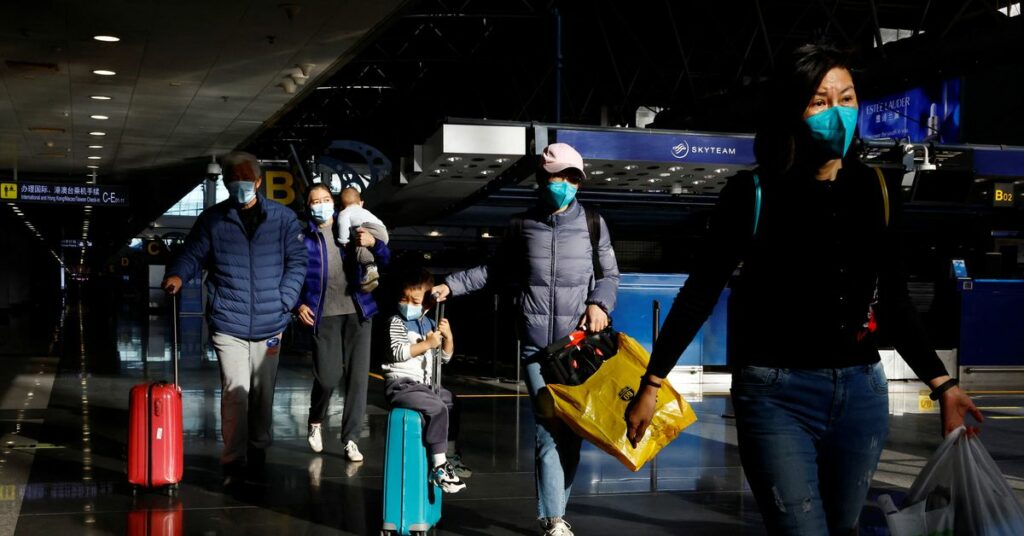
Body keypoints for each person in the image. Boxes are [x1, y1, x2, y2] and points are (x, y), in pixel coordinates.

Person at [624, 44, 983, 535]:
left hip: (862, 393)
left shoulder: (877, 189)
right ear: (791, 111)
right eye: (819, 101)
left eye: (848, 98)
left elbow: (896, 302)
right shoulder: (751, 193)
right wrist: (651, 384)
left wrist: (943, 385)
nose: (837, 113)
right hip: (776, 396)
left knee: (843, 528)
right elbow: (699, 295)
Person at [433, 143, 620, 536]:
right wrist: (451, 284)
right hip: (537, 348)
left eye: (574, 178)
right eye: (560, 177)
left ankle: (557, 511)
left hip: (579, 348)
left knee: (572, 433)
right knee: (548, 428)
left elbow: (609, 274)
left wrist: (600, 302)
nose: (566, 184)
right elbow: (493, 271)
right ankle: (552, 518)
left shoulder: (592, 223)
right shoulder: (522, 226)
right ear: (543, 179)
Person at [162, 151, 307, 487]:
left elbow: (297, 263)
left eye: (246, 182)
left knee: (262, 393)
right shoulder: (213, 219)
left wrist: (284, 300)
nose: (240, 188)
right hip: (229, 321)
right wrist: (177, 275)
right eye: (234, 183)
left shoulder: (283, 219)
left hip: (272, 322)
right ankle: (233, 458)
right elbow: (192, 253)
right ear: (226, 184)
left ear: (258, 182)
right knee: (235, 392)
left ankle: (258, 449)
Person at [296, 183, 391, 462]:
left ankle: (350, 439)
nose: (322, 204)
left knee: (358, 381)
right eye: (316, 201)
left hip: (358, 312)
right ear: (308, 206)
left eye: (326, 199)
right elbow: (291, 276)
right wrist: (297, 304)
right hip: (322, 315)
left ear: (335, 203)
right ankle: (316, 419)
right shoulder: (303, 240)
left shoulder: (352, 227)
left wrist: (375, 244)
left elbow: (384, 259)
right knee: (327, 378)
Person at [383, 268, 469, 493]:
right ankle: (439, 466)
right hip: (402, 384)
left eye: (415, 300)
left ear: (428, 304)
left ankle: (450, 454)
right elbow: (398, 352)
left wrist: (448, 338)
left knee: (451, 401)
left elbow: (445, 359)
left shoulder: (431, 324)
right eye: (404, 299)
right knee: (437, 407)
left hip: (424, 385)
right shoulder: (396, 322)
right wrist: (427, 345)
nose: (408, 304)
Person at [334, 187, 389, 292]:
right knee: (365, 245)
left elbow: (343, 224)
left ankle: (370, 268)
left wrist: (344, 241)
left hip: (369, 228)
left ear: (341, 206)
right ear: (361, 203)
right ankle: (370, 273)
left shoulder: (344, 212)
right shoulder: (364, 211)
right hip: (383, 232)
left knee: (359, 243)